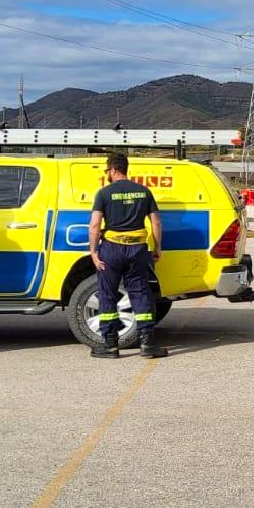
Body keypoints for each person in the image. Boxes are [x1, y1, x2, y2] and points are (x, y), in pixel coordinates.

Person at [87, 153, 167, 359]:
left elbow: (95, 225)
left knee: (108, 293)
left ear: (113, 169)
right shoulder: (143, 191)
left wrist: (94, 252)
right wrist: (157, 248)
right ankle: (147, 344)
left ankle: (111, 345)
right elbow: (156, 222)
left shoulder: (104, 193)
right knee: (140, 292)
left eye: (107, 171)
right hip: (137, 249)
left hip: (111, 249)